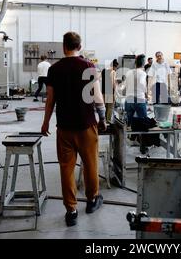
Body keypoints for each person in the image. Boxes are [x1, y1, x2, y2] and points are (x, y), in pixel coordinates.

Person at [41, 32, 106, 227]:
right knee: (91, 164)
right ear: (80, 46)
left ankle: (71, 210)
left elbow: (50, 100)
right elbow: (97, 96)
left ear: (64, 46)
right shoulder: (88, 66)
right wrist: (102, 118)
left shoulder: (54, 69)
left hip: (64, 128)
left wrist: (45, 123)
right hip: (86, 125)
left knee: (66, 169)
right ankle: (92, 200)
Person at [124, 55, 148, 127]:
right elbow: (142, 85)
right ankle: (139, 137)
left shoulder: (128, 72)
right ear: (143, 63)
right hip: (139, 98)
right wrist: (146, 94)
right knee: (143, 121)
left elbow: (125, 85)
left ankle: (130, 137)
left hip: (129, 98)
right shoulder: (143, 73)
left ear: (135, 63)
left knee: (129, 123)